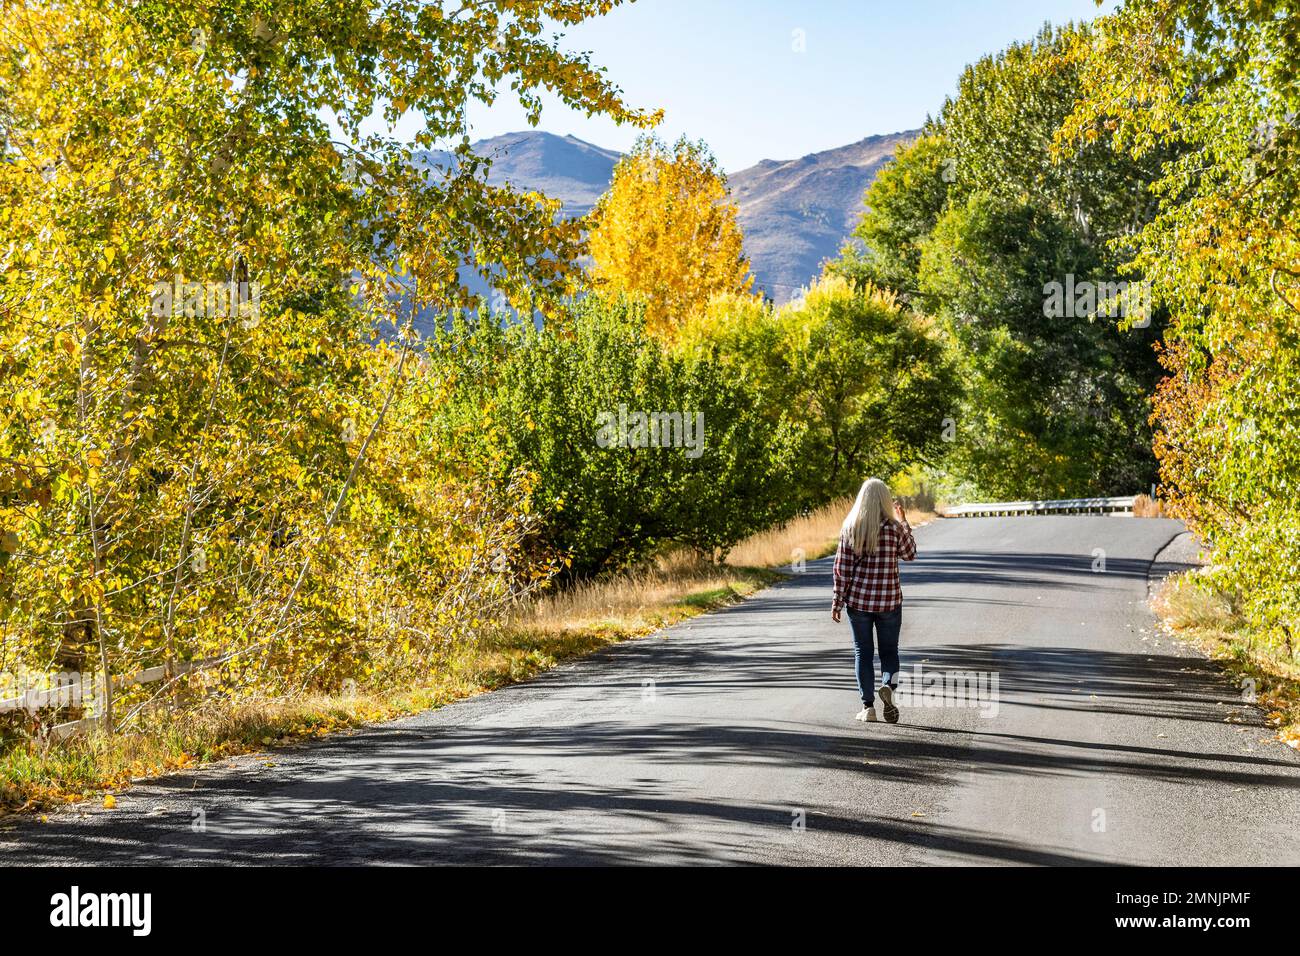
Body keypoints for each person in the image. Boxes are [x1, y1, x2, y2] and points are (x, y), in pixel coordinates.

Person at [831, 478, 916, 724]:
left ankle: (868, 707)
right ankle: (889, 685)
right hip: (889, 601)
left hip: (858, 602)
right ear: (885, 500)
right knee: (890, 651)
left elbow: (842, 570)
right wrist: (904, 522)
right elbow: (910, 554)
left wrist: (837, 601)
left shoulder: (850, 528)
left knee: (863, 652)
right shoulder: (894, 527)